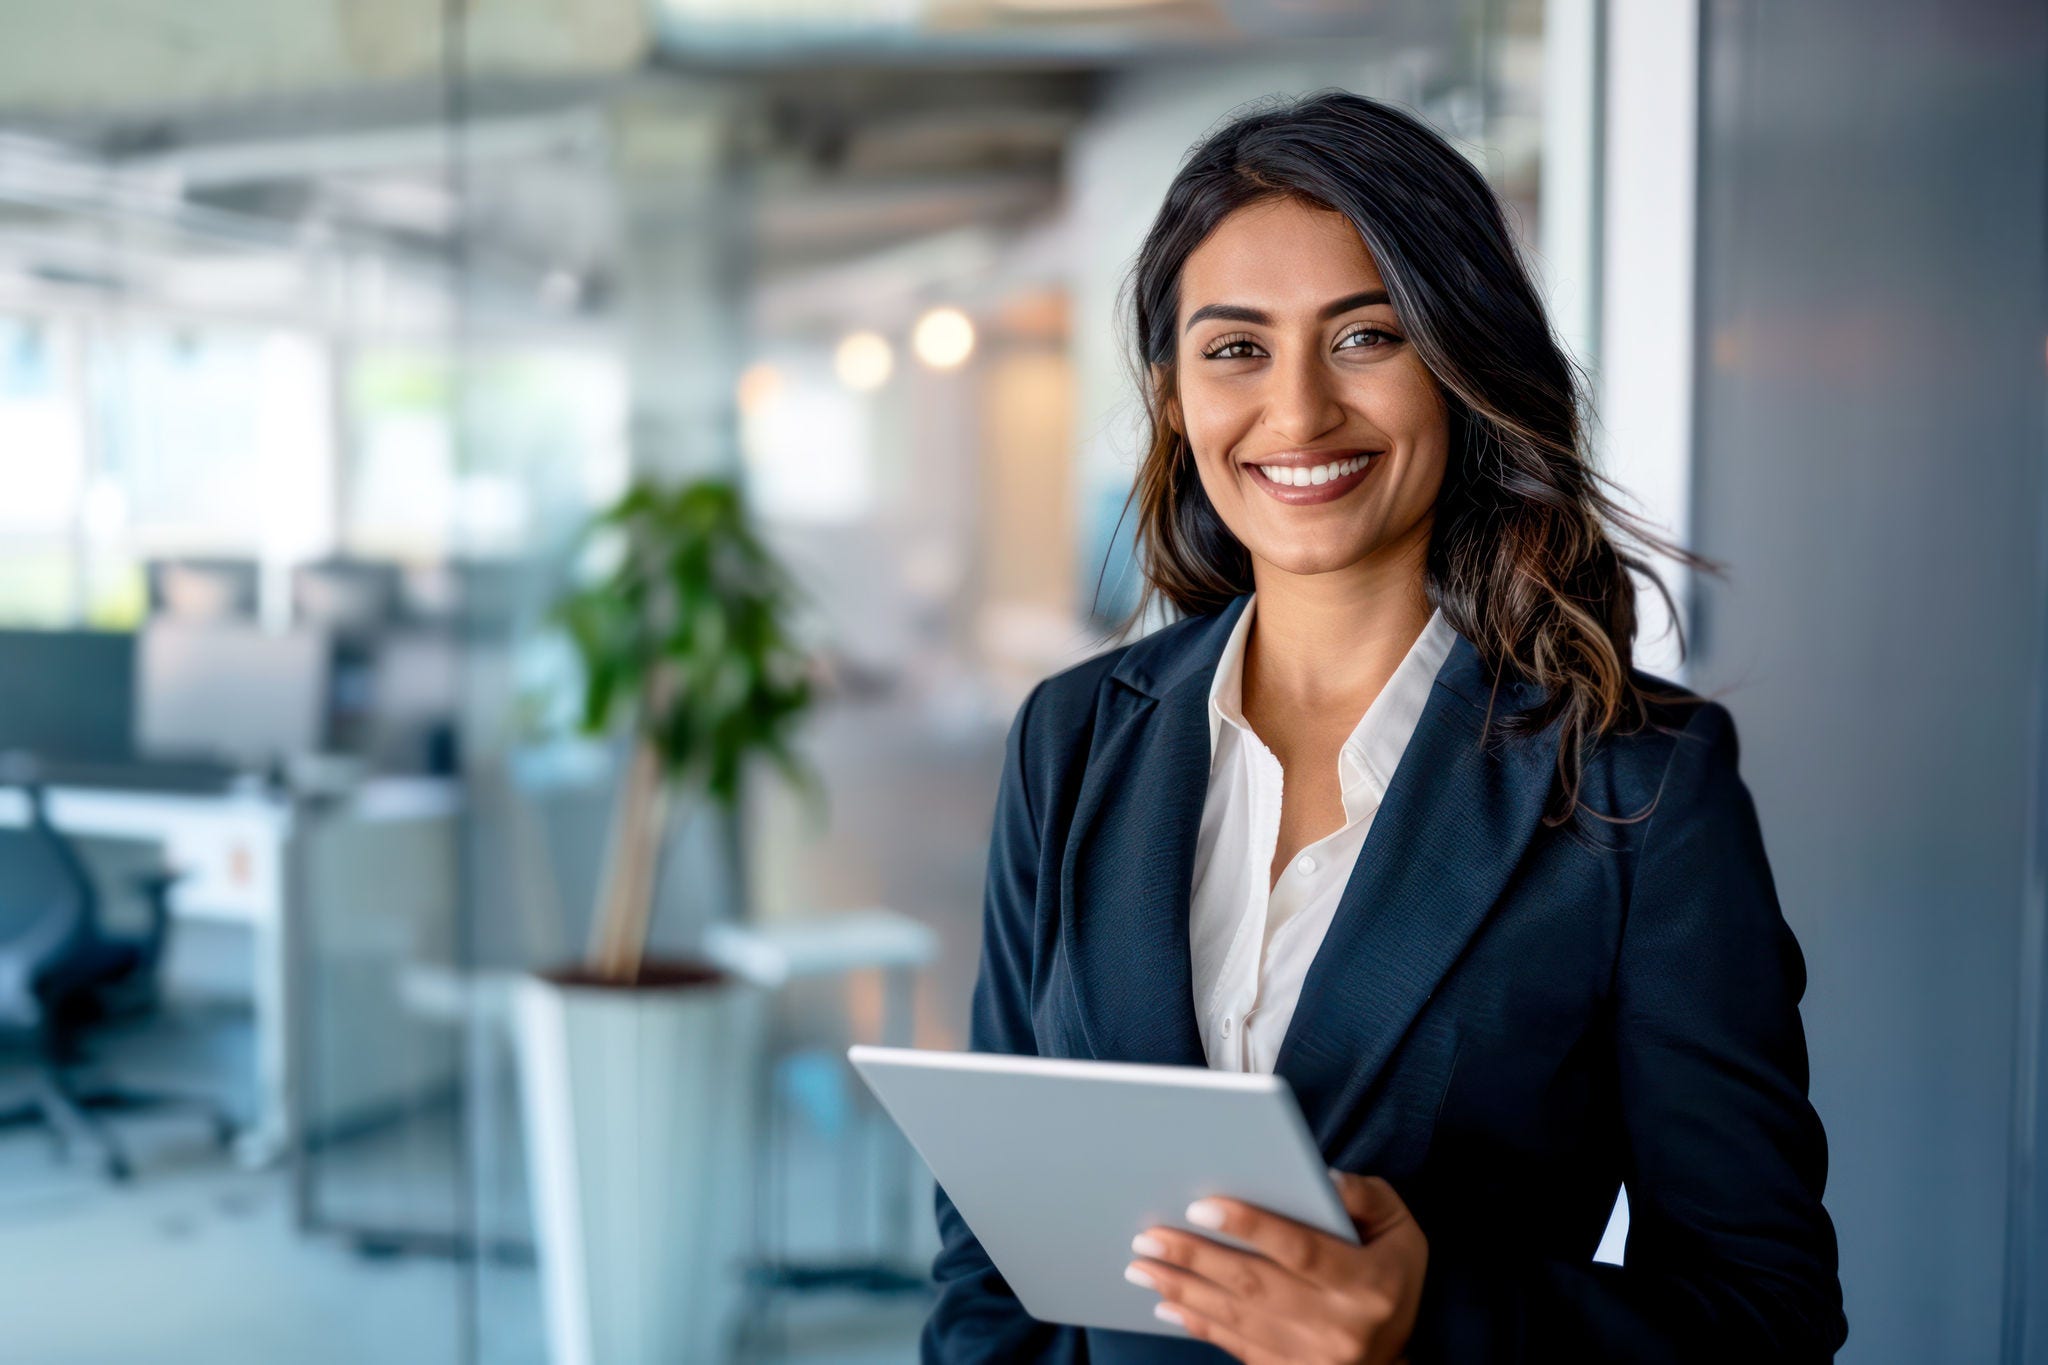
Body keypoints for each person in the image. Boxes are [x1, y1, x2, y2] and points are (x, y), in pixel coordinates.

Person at [923, 89, 1847, 1363]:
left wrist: (1431, 1316)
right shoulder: (1073, 737)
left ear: (1462, 365)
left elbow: (1765, 1313)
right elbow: (988, 1261)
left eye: (1365, 337)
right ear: (1173, 395)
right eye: (1235, 348)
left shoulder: (1633, 782)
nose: (1297, 414)